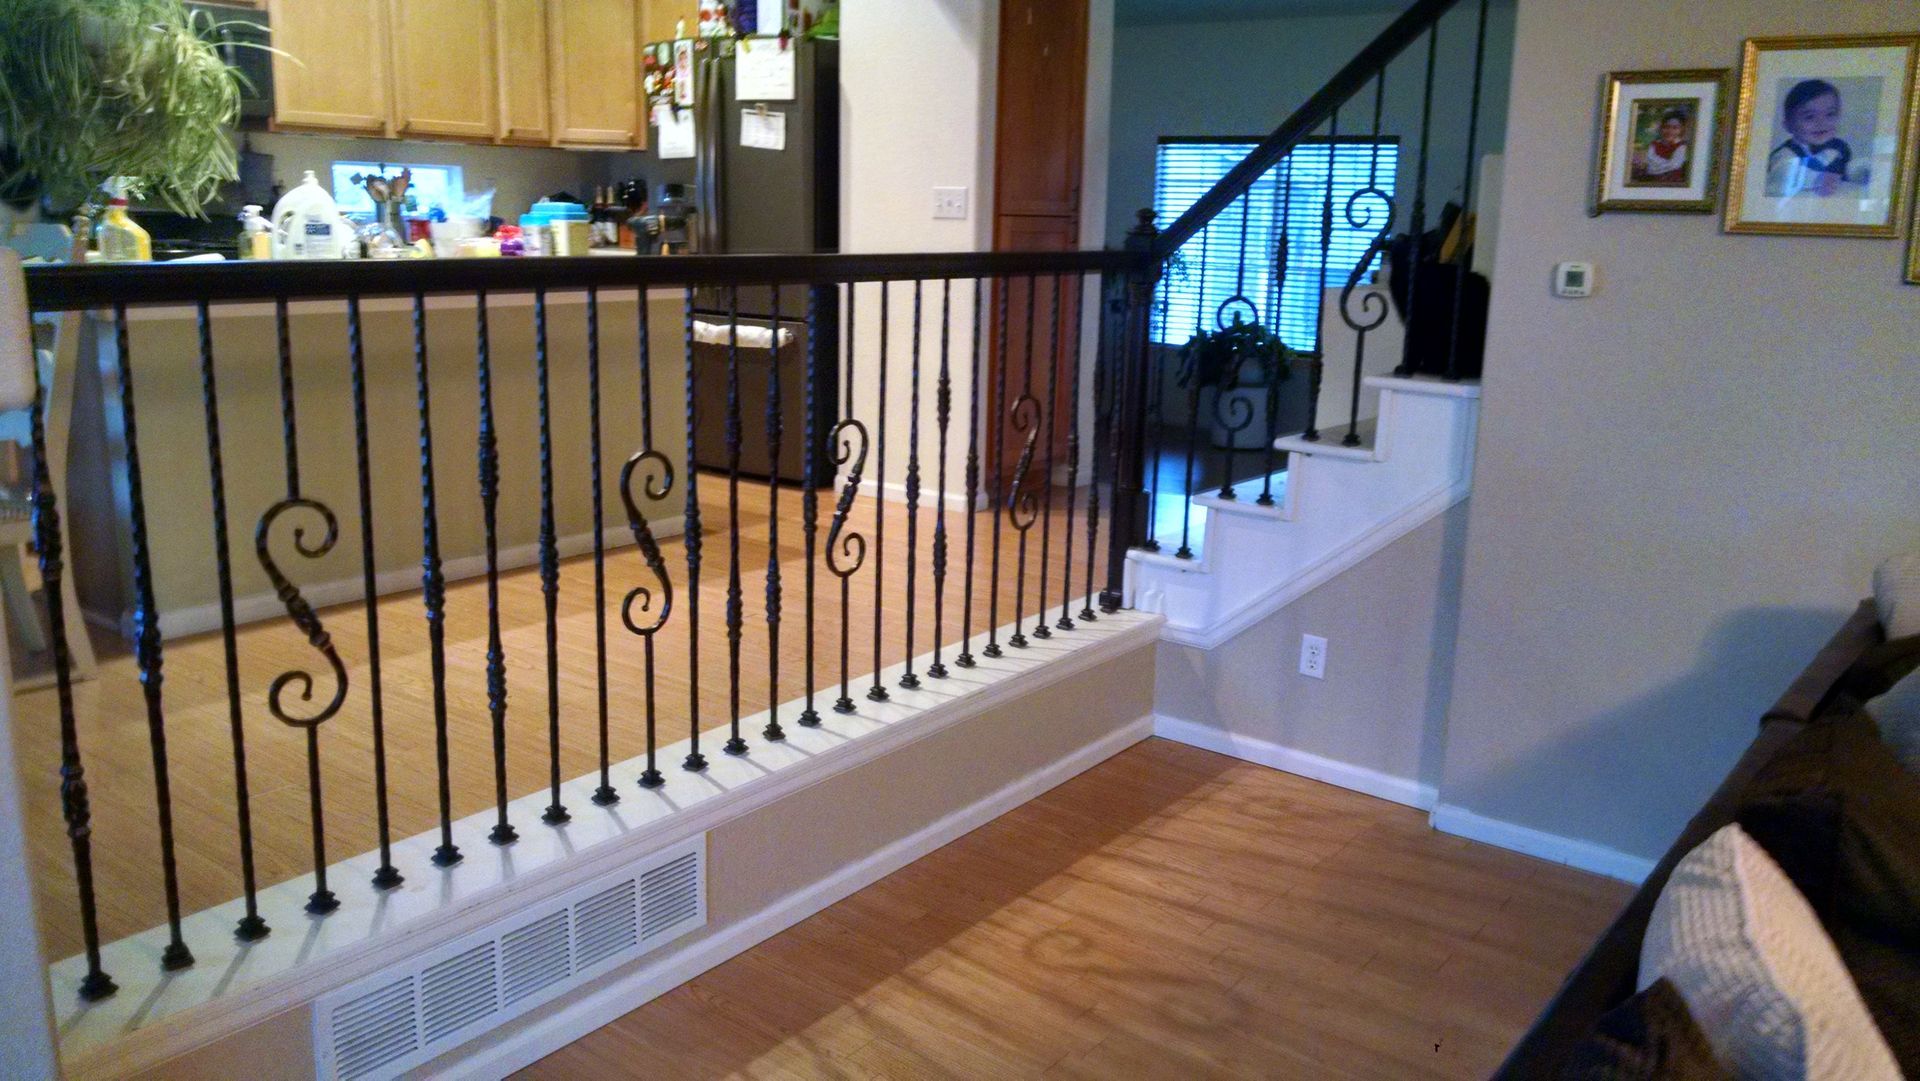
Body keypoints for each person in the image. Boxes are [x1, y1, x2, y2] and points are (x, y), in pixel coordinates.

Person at [1766, 79, 1855, 198]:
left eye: (1830, 114)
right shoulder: (1785, 154)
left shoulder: (1839, 147)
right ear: (1788, 125)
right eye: (1809, 117)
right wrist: (1816, 179)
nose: (1821, 122)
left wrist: (1862, 172)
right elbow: (1782, 175)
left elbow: (1849, 168)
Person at [1633, 109, 1691, 184]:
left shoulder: (1682, 146)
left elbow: (1674, 165)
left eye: (1675, 128)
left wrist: (1653, 167)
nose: (1670, 131)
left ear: (1681, 130)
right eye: (1666, 127)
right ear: (1661, 128)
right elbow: (1649, 160)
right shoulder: (1654, 144)